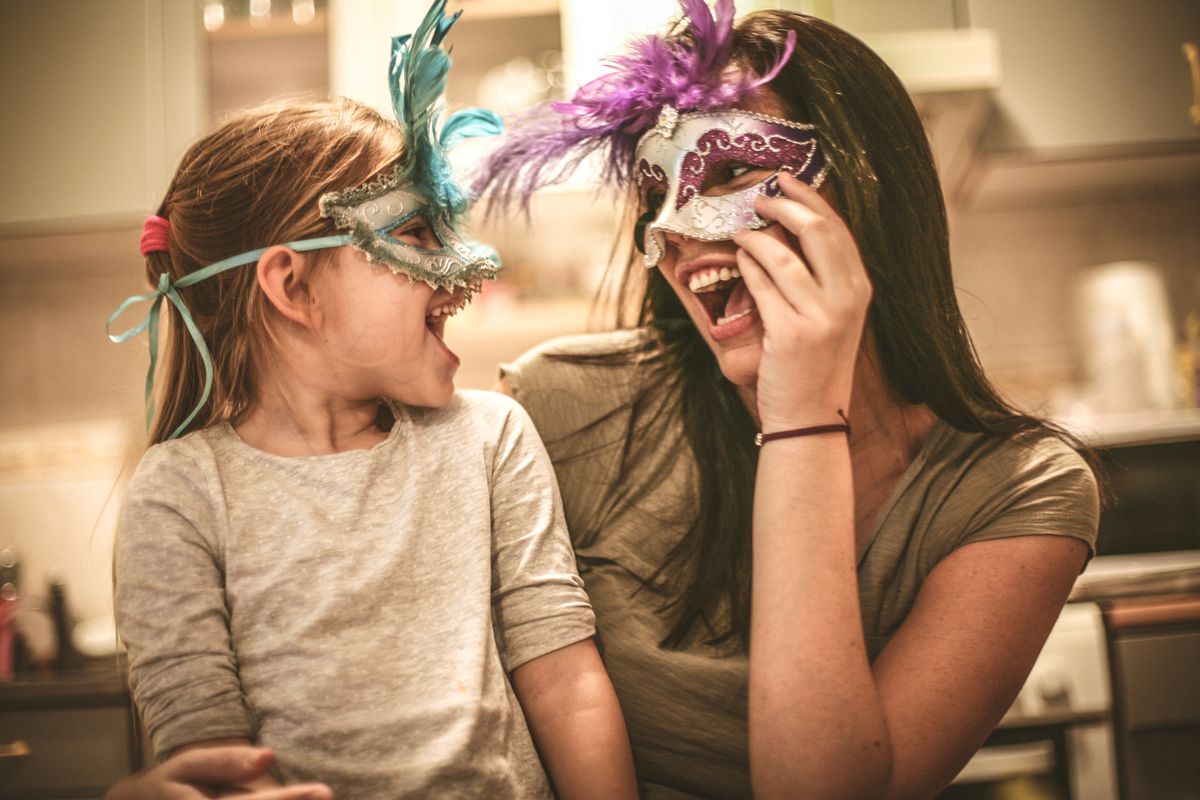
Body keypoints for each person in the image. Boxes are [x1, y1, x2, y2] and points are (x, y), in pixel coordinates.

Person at [473, 1, 1101, 797]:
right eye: (655, 192)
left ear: (871, 189)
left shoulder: (1020, 489)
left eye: (732, 170)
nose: (678, 231)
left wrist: (803, 412)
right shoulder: (562, 405)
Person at [104, 3, 636, 798]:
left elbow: (565, 680)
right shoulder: (180, 498)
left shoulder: (488, 439)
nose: (469, 267)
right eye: (419, 234)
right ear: (291, 284)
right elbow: (213, 761)